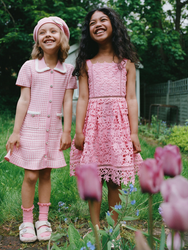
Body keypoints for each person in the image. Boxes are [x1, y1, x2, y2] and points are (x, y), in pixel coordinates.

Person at [5, 16, 77, 242]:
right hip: (31, 129)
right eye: (43, 32)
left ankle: (42, 219)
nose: (48, 35)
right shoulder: (29, 67)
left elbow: (67, 102)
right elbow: (23, 100)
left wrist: (67, 131)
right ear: (38, 40)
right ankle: (27, 222)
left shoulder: (69, 70)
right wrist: (16, 131)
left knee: (47, 173)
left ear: (62, 38)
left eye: (53, 31)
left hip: (54, 129)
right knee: (31, 175)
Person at [70, 7, 143, 227]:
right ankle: (95, 228)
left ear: (114, 26)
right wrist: (79, 131)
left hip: (118, 127)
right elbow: (82, 98)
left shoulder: (126, 62)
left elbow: (131, 98)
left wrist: (134, 133)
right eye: (92, 22)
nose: (98, 25)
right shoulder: (86, 63)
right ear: (88, 31)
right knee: (94, 179)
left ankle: (113, 229)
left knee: (115, 181)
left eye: (103, 20)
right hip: (93, 126)